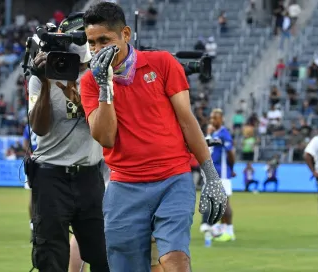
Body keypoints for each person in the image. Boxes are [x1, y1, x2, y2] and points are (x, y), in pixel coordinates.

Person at [80, 2, 227, 271]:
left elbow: (187, 122)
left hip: (173, 180)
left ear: (126, 34)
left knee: (175, 260)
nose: (98, 49)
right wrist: (105, 87)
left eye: (105, 40)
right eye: (92, 43)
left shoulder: (162, 63)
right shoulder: (91, 82)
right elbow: (106, 138)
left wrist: (211, 176)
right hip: (124, 187)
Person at [28, 14, 109, 272]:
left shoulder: (99, 77)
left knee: (103, 253)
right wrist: (42, 81)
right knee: (51, 256)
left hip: (89, 174)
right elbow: (39, 128)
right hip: (51, 175)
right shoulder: (42, 76)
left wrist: (81, 92)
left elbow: (102, 127)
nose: (75, 66)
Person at [199, 109, 236, 242]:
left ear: (221, 119)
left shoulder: (224, 134)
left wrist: (232, 168)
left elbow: (231, 152)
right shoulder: (215, 134)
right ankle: (223, 228)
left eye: (215, 118)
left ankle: (229, 231)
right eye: (211, 118)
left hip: (223, 173)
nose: (212, 121)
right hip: (215, 173)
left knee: (224, 203)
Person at [23, 123, 37, 238]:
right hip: (49, 160)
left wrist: (31, 155)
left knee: (33, 197)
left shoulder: (29, 125)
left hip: (33, 161)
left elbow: (25, 144)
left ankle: (33, 225)